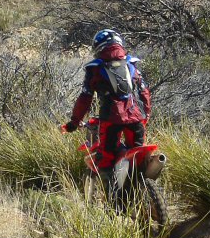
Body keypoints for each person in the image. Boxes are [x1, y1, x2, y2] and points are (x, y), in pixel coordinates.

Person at [60, 28, 151, 197]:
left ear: (98, 47)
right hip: (136, 118)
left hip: (111, 120)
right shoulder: (131, 63)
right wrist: (146, 113)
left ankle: (115, 203)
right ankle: (144, 189)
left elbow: (85, 98)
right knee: (139, 154)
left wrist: (74, 122)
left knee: (106, 158)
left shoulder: (95, 69)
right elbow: (144, 91)